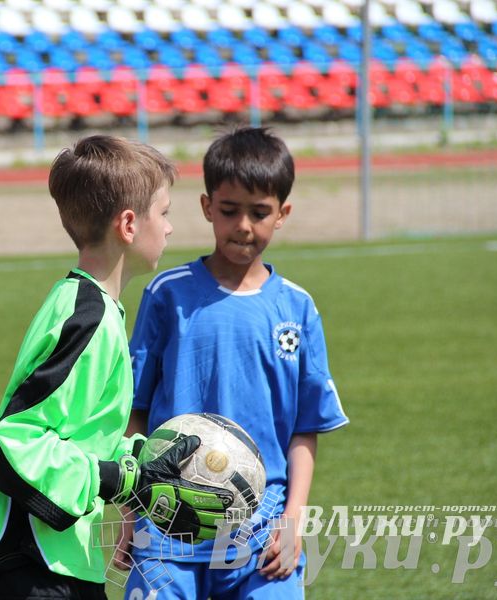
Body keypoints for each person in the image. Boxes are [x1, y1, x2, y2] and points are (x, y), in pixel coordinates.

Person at [0, 135, 232, 600]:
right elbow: (14, 442)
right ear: (129, 225)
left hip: (57, 562)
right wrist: (119, 479)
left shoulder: (95, 308)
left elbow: (77, 431)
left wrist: (142, 461)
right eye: (165, 212)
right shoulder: (87, 317)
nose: (171, 228)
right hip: (26, 568)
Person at [117, 126, 349, 599]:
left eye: (259, 212)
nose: (244, 225)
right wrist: (130, 510)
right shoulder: (168, 295)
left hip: (262, 535)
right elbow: (134, 412)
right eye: (229, 211)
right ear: (207, 208)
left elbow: (306, 426)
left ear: (282, 214)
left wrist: (293, 521)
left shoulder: (297, 308)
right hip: (167, 529)